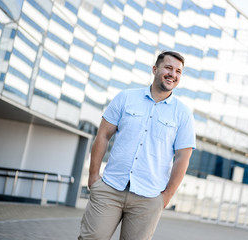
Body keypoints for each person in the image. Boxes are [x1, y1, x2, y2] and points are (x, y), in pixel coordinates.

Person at [78, 51, 196, 240]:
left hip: (149, 198)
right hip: (110, 188)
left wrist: (166, 197)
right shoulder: (125, 98)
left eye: (178, 71)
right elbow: (103, 135)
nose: (173, 74)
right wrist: (93, 177)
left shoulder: (183, 114)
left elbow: (183, 158)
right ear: (155, 69)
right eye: (168, 67)